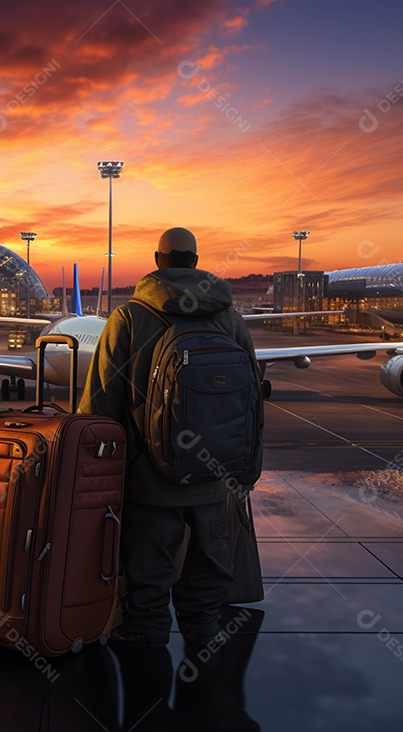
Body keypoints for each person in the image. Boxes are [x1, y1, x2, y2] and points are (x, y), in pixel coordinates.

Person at [78, 227, 264, 646]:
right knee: (211, 564)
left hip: (150, 477)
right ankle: (203, 629)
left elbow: (100, 404)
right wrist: (248, 469)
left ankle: (145, 634)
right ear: (195, 262)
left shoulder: (129, 318)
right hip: (218, 474)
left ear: (157, 261)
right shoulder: (230, 320)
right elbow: (253, 399)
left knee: (148, 565)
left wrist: (92, 470)